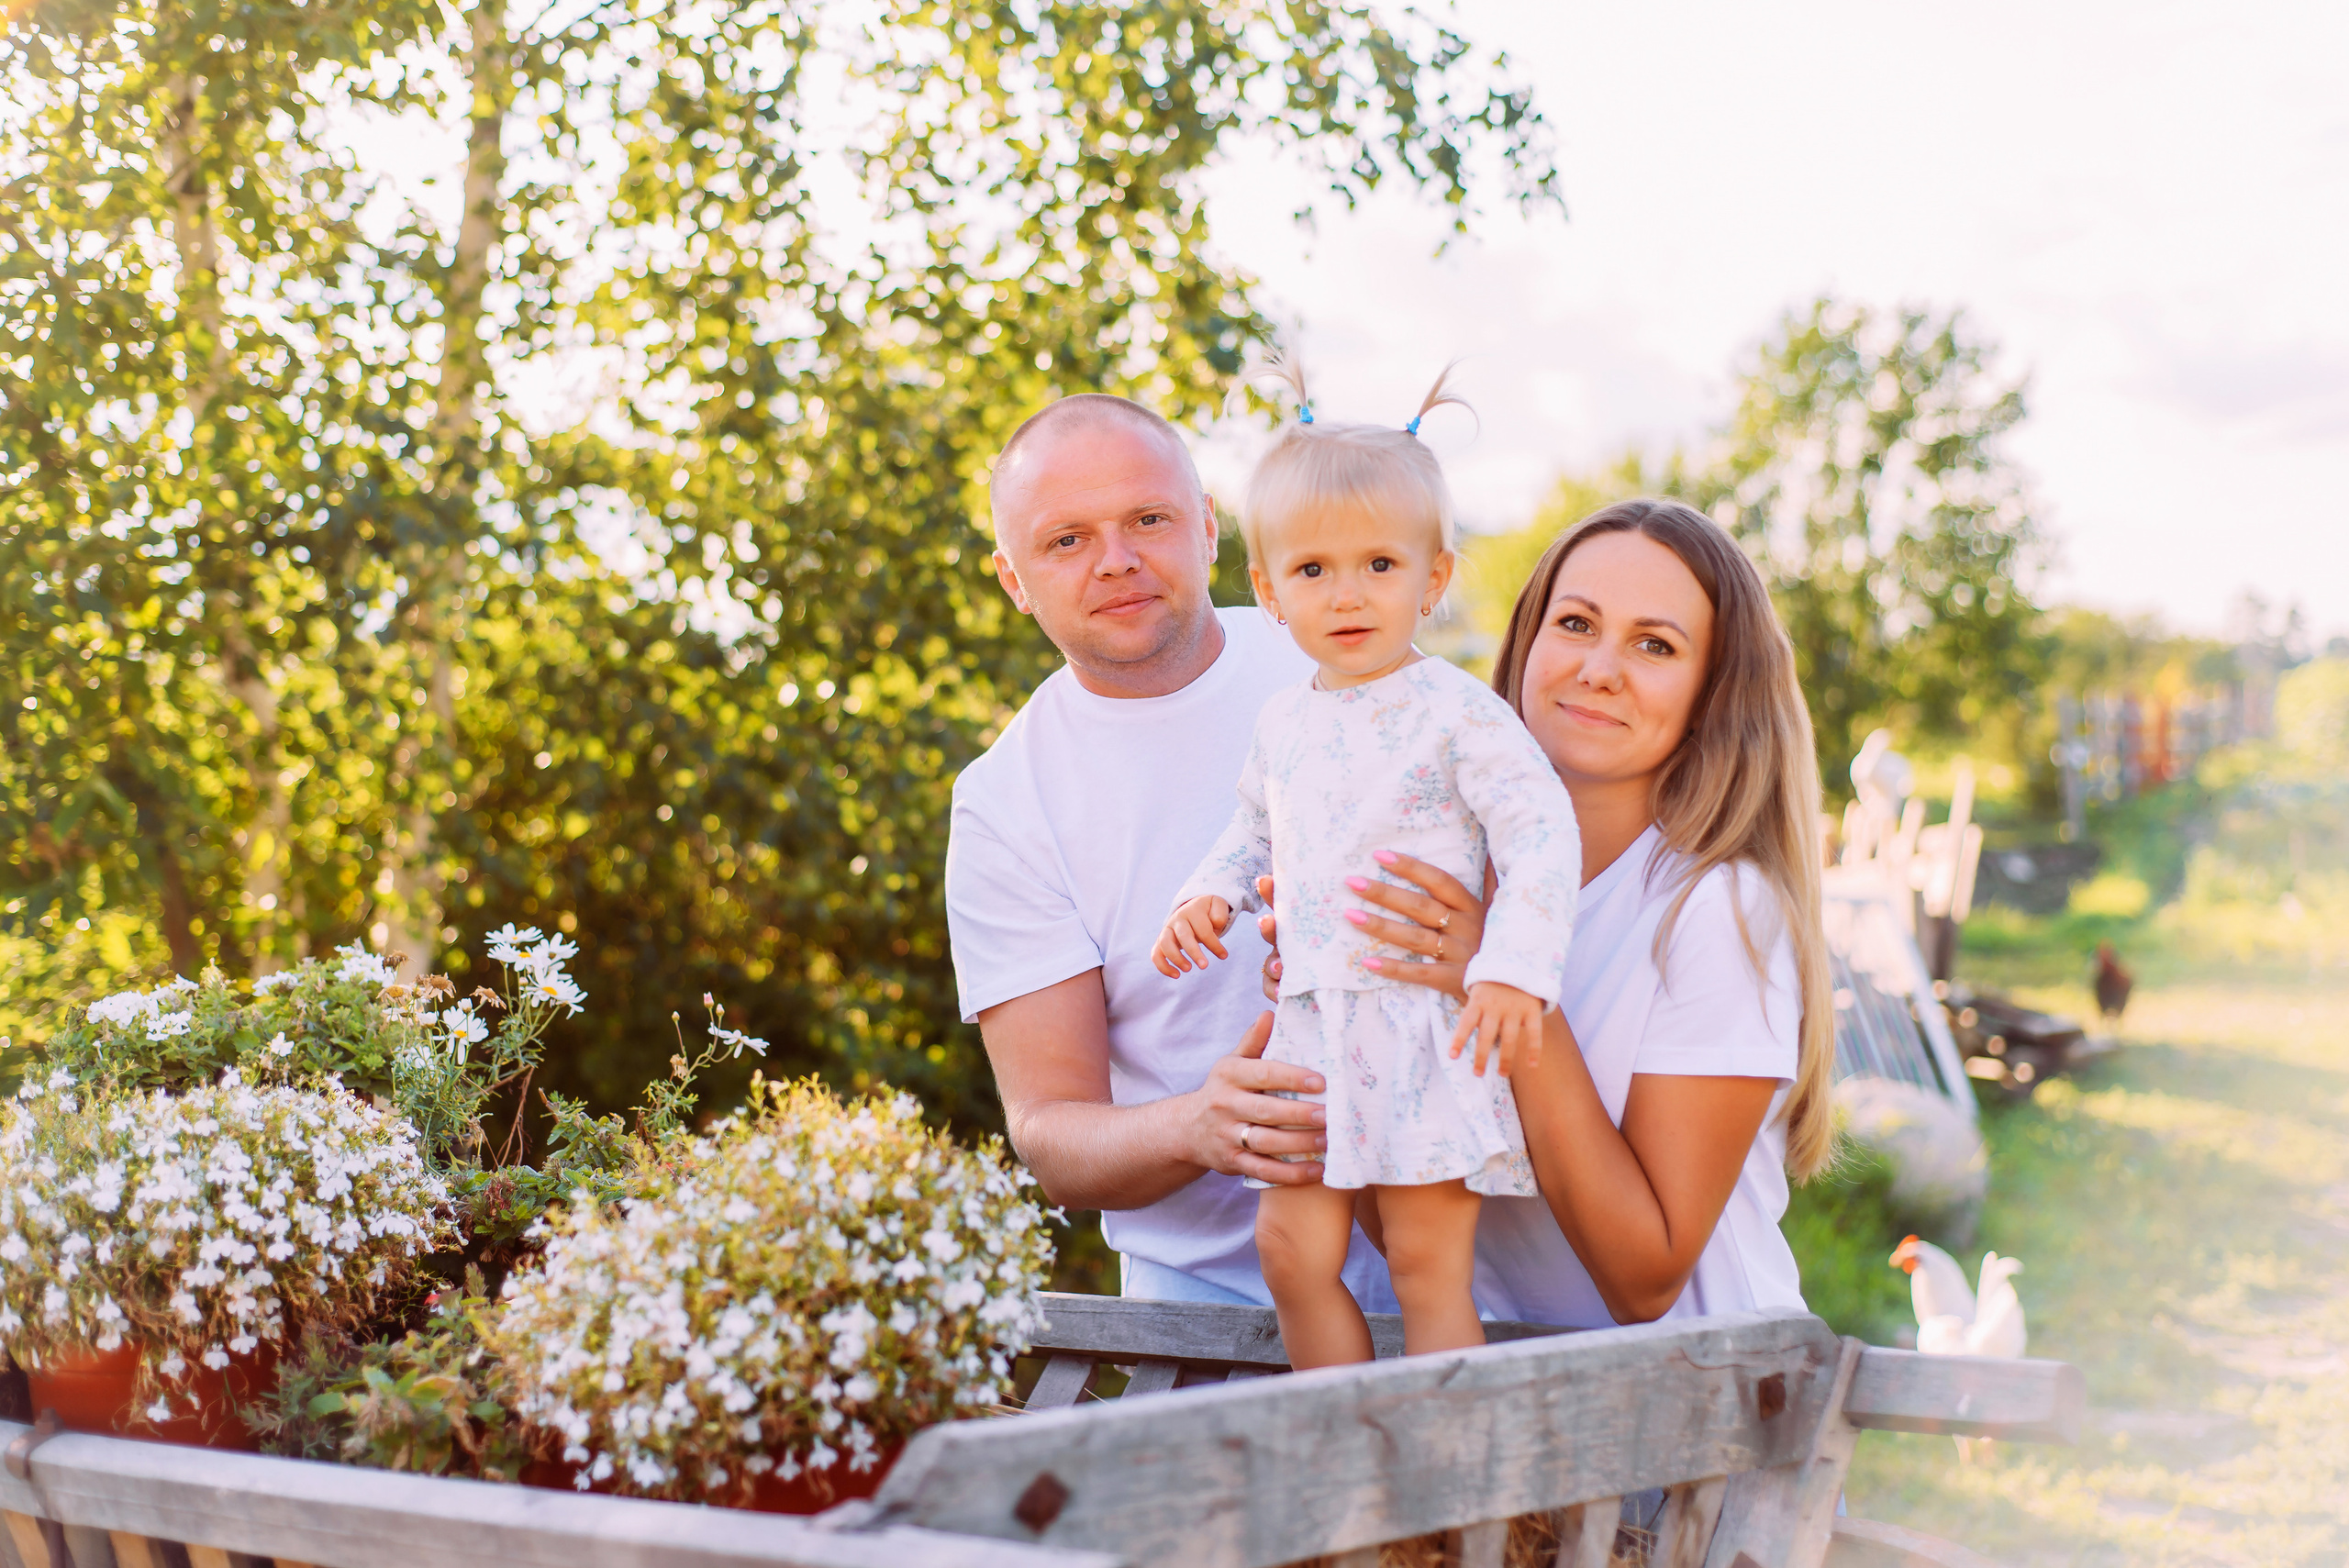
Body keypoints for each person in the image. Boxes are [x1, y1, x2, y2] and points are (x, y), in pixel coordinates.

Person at [1266, 497, 1836, 1327]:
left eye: (1655, 644)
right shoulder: (1439, 883)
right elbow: (1416, 1225)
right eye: (1575, 623)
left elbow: (1644, 1279)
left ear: (1714, 692)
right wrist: (1340, 1030)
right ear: (1527, 642)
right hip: (1506, 1399)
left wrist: (1499, 982)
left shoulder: (1716, 908)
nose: (1601, 667)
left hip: (1707, 1412)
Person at [1152, 366, 1578, 1367]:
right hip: (1310, 1027)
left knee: (1430, 1264)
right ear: (1267, 590)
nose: (1347, 593)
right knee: (1290, 1250)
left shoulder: (1458, 709)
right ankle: (1348, 1456)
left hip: (1420, 1025)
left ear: (1432, 578)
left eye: (1380, 564)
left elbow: (1538, 831)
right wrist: (1204, 893)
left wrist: (1515, 964)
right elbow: (1250, 831)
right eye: (1312, 571)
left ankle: (1451, 1497)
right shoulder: (1283, 720)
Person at [943, 393, 1395, 1309]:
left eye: (1147, 518)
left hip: (1464, 1259)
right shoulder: (1004, 800)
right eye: (1064, 540)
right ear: (1012, 579)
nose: (1116, 560)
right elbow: (1050, 1131)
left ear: (1206, 527)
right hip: (1206, 1312)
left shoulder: (1347, 652)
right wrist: (1202, 1124)